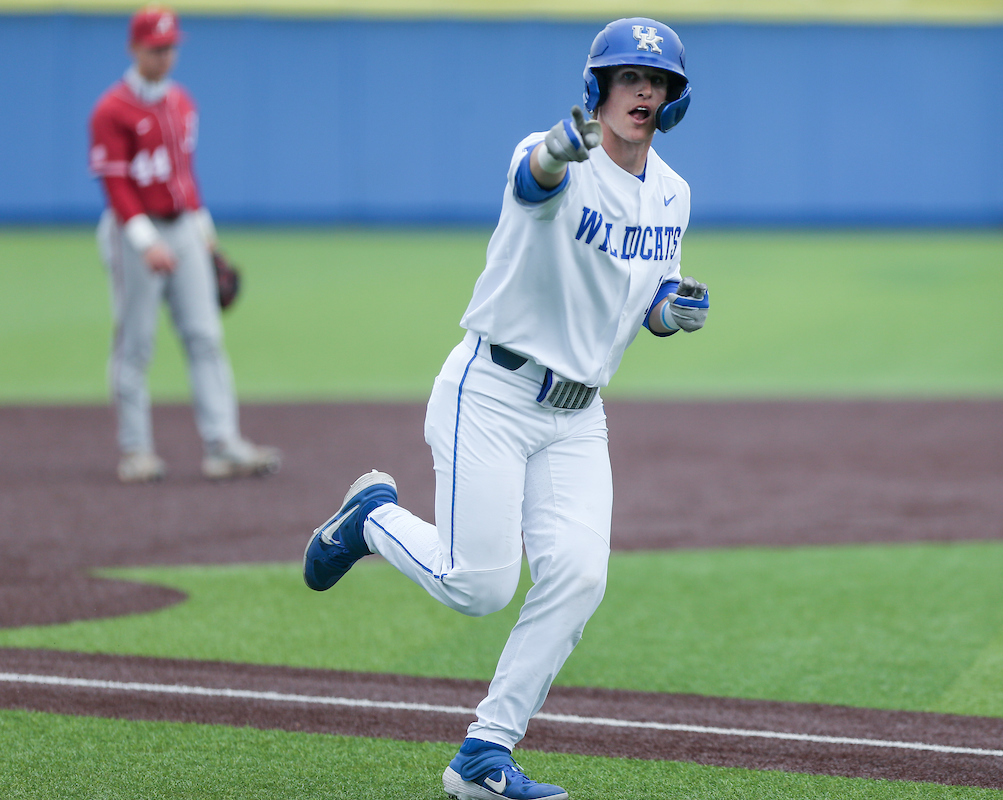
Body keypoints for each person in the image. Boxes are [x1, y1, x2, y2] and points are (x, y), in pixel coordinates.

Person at [303, 17, 708, 800]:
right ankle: (372, 520)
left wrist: (671, 312)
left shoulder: (674, 193)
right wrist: (560, 146)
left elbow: (646, 296)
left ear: (673, 101)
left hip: (578, 414)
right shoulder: (557, 154)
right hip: (491, 392)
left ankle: (484, 753)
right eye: (629, 78)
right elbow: (533, 178)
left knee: (580, 575)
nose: (644, 92)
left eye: (657, 83)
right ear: (598, 89)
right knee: (478, 586)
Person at [89, 5, 280, 483]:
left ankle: (223, 445)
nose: (166, 55)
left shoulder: (182, 103)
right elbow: (116, 186)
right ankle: (136, 450)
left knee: (206, 335)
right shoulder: (111, 110)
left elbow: (185, 179)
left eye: (171, 46)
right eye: (157, 48)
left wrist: (208, 240)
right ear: (135, 48)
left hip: (183, 226)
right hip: (135, 230)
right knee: (136, 342)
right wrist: (144, 241)